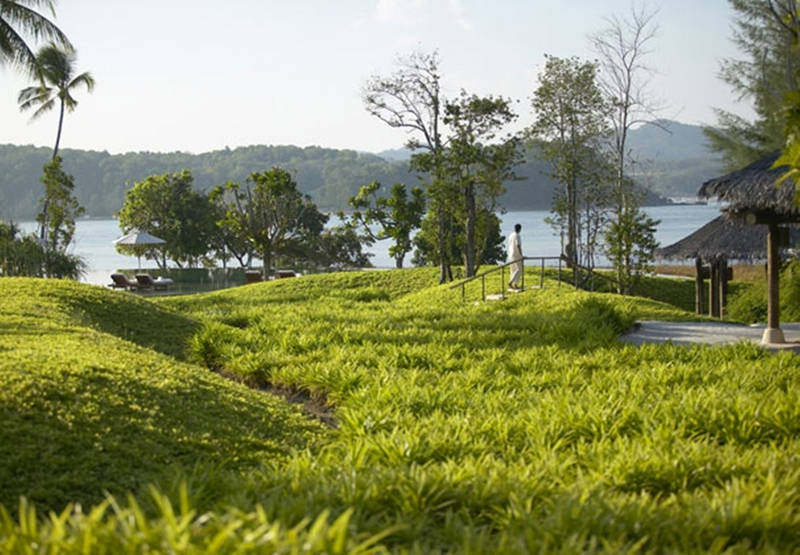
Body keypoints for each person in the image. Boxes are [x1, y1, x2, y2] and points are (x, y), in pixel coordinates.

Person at [508, 223, 523, 289]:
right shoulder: (517, 236)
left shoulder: (511, 235)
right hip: (516, 255)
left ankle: (513, 285)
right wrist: (521, 255)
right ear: (520, 229)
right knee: (519, 270)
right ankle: (512, 282)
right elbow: (518, 245)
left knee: (512, 270)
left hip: (511, 254)